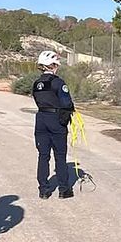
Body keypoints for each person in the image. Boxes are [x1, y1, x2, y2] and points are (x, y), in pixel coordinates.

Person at [32, 51, 75, 199]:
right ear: (53, 66)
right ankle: (64, 189)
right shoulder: (58, 82)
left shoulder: (37, 83)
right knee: (60, 156)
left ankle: (43, 190)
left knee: (43, 156)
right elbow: (66, 103)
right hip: (55, 120)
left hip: (41, 119)